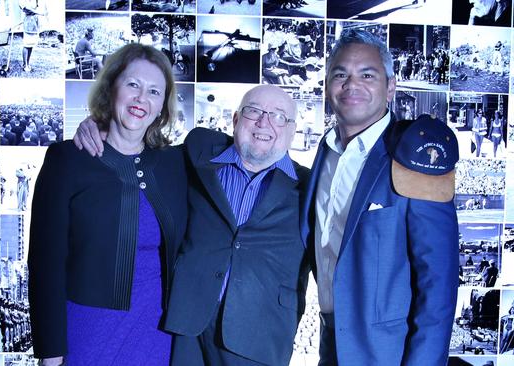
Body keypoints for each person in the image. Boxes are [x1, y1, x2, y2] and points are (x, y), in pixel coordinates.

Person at [73, 84, 311, 366]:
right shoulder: (199, 151)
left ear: (292, 130)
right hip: (188, 325)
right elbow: (143, 153)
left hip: (259, 332)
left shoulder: (310, 186)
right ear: (235, 120)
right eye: (254, 111)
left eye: (279, 116)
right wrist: (103, 126)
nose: (264, 122)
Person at [301, 29, 459, 365]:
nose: (351, 84)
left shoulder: (414, 154)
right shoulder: (325, 151)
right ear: (327, 85)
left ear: (390, 87)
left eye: (367, 75)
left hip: (387, 353)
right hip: (331, 343)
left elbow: (438, 285)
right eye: (340, 74)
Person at [28, 44, 187, 366]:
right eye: (133, 85)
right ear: (111, 88)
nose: (142, 98)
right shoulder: (67, 160)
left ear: (162, 107)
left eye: (154, 91)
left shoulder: (178, 163)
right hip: (87, 332)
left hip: (159, 335)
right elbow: (45, 265)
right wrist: (51, 353)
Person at [18, 0, 44, 73]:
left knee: (31, 44)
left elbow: (38, 7)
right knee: (26, 44)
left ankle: (28, 63)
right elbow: (26, 8)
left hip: (34, 22)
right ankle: (25, 64)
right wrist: (37, 12)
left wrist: (37, 12)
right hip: (28, 21)